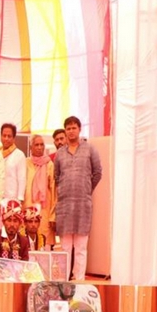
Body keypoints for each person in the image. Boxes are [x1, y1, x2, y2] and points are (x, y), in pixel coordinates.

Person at [54, 115, 102, 281]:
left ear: (79, 129)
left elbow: (98, 173)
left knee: (81, 247)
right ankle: (63, 280)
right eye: (68, 128)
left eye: (74, 128)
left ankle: (79, 280)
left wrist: (86, 190)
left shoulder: (90, 149)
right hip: (65, 206)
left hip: (83, 205)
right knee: (65, 247)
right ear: (65, 131)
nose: (71, 131)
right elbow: (57, 176)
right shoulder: (60, 153)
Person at [24, 134, 56, 244]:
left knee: (44, 241)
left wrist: (53, 216)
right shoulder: (26, 163)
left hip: (44, 210)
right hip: (28, 208)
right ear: (31, 147)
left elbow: (54, 191)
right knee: (26, 242)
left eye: (42, 145)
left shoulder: (49, 164)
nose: (39, 147)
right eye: (36, 145)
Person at [0, 123, 26, 214]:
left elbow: (22, 179)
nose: (6, 138)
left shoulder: (19, 155)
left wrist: (20, 200)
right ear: (1, 137)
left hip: (12, 201)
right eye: (4, 135)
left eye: (9, 136)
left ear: (14, 138)